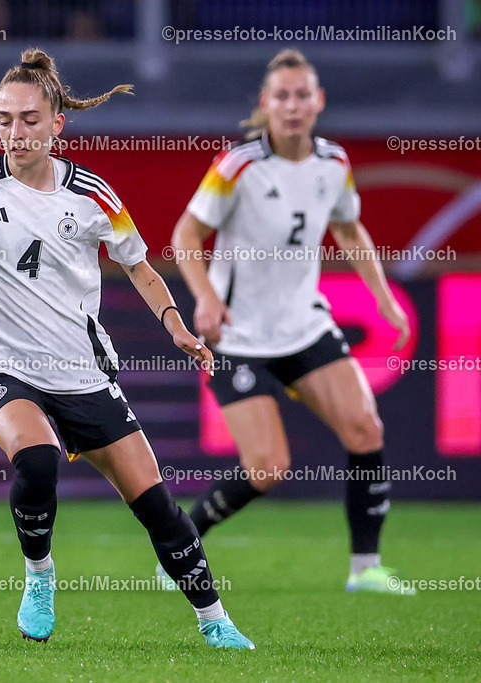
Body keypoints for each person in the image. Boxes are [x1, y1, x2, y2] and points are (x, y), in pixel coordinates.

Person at [0, 48, 255, 649]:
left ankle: (215, 621)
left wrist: (175, 325)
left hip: (84, 374)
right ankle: (40, 574)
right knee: (37, 459)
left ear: (56, 124)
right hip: (1, 367)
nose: (14, 133)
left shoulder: (93, 195)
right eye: (3, 119)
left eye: (27, 119)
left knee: (157, 508)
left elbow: (140, 267)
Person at [170, 49, 412, 594]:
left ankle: (365, 569)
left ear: (319, 101)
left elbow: (350, 230)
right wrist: (205, 298)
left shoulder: (334, 163)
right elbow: (186, 235)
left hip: (304, 326)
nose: (294, 105)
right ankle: (180, 547)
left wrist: (384, 299)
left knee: (365, 428)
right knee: (266, 468)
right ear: (265, 104)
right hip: (239, 336)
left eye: (303, 95)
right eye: (282, 96)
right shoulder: (239, 167)